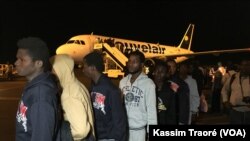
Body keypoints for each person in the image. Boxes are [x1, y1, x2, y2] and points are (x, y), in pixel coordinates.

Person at [15, 37, 60, 141]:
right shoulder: (33, 87)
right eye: (17, 58)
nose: (16, 63)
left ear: (38, 63)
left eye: (22, 60)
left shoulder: (41, 96)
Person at [82, 51, 127, 141]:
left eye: (85, 66)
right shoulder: (93, 86)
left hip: (109, 137)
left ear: (92, 68)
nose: (83, 69)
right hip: (97, 136)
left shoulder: (111, 90)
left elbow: (119, 121)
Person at [50, 54, 95, 141]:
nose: (51, 72)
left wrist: (60, 135)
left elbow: (81, 130)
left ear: (61, 69)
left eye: (53, 68)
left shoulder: (69, 94)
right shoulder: (77, 84)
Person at [119, 50, 157, 141]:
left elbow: (151, 110)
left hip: (139, 132)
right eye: (129, 61)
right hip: (123, 130)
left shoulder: (149, 84)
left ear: (142, 64)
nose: (131, 64)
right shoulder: (122, 82)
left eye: (135, 61)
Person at [221, 58, 250, 124]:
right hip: (235, 111)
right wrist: (225, 101)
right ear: (240, 66)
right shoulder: (233, 78)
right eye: (244, 65)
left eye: (248, 65)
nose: (246, 67)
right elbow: (224, 90)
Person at [166, 59, 190, 125]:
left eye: (173, 67)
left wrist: (182, 121)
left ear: (176, 68)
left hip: (176, 118)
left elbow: (184, 104)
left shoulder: (182, 84)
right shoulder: (161, 82)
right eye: (169, 66)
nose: (171, 69)